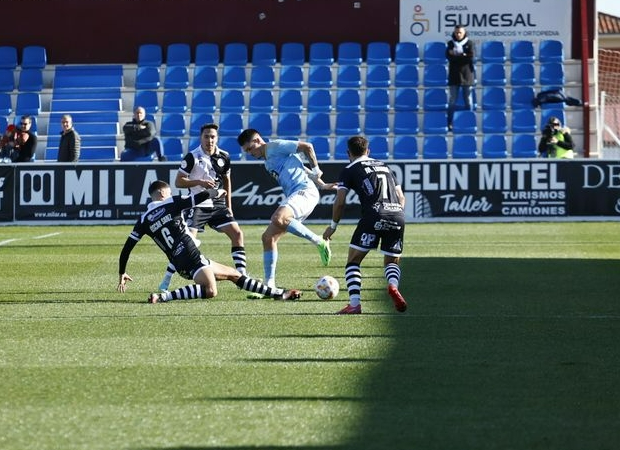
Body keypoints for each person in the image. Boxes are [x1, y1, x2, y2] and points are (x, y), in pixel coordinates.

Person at [117, 180, 301, 304]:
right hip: (190, 253)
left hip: (179, 262)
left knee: (234, 274)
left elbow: (127, 248)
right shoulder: (171, 202)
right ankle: (163, 297)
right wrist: (217, 191)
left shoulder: (143, 219)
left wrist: (122, 272)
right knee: (211, 291)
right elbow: (200, 197)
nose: (171, 193)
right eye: (169, 191)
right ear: (162, 193)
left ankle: (278, 294)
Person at [237, 128, 332, 294]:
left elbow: (307, 146)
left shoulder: (275, 146)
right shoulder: (267, 162)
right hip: (300, 194)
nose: (249, 153)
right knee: (268, 238)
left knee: (278, 217)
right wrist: (321, 183)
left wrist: (316, 169)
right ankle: (269, 285)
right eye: (246, 151)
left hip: (304, 192)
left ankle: (319, 241)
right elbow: (300, 166)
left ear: (258, 140)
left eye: (250, 149)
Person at [322, 136, 408, 315]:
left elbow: (340, 202)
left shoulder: (349, 169)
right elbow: (401, 198)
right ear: (368, 151)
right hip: (398, 214)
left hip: (374, 215)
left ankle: (355, 304)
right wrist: (393, 214)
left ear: (348, 153)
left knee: (353, 261)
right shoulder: (386, 166)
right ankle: (393, 286)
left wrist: (333, 226)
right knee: (391, 261)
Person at [158, 123, 247, 291]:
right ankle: (166, 280)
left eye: (213, 136)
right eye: (206, 136)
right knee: (187, 243)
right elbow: (178, 181)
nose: (210, 140)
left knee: (237, 233)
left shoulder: (224, 156)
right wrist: (199, 182)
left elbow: (227, 181)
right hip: (197, 204)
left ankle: (242, 275)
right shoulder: (192, 157)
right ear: (201, 137)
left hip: (218, 205)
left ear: (217, 138)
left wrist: (229, 206)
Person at [446, 25, 476, 131]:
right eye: (456, 32)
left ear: (464, 33)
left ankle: (470, 122)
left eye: (460, 32)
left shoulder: (470, 43)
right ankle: (450, 122)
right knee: (452, 100)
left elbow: (470, 57)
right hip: (454, 76)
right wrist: (463, 56)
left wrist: (458, 55)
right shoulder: (450, 44)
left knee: (468, 100)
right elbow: (449, 57)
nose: (458, 34)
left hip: (467, 76)